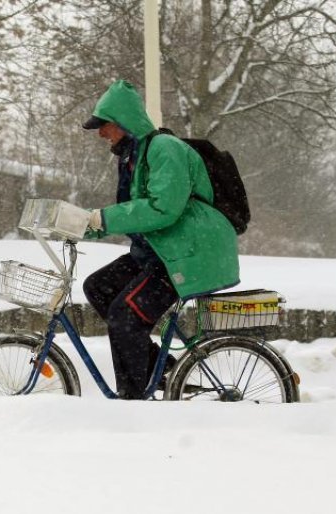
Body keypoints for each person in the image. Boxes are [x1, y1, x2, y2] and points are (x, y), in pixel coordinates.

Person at [81, 79, 239, 400]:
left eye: (104, 125)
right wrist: (84, 225)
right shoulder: (133, 157)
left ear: (123, 121)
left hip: (190, 255)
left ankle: (135, 400)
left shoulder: (164, 149)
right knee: (98, 287)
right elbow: (134, 212)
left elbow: (162, 209)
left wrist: (104, 217)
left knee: (124, 314)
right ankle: (159, 369)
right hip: (160, 252)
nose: (100, 133)